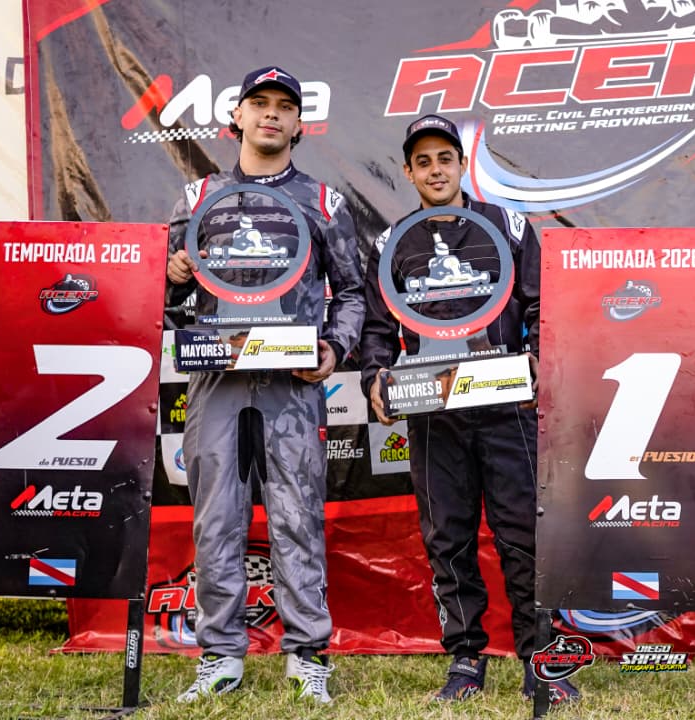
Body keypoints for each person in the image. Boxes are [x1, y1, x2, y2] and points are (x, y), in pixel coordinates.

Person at [358, 114, 579, 705]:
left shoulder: (508, 224)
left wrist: (538, 354)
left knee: (525, 533)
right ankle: (465, 659)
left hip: (506, 404)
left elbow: (542, 302)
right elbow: (376, 331)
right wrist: (375, 379)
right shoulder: (389, 243)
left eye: (444, 159)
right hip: (434, 412)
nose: (435, 170)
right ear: (408, 172)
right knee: (447, 537)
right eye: (422, 162)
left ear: (461, 164)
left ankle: (542, 659)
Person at [165, 65, 365, 704]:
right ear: (238, 116)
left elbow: (353, 293)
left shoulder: (324, 202)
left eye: (284, 105)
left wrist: (334, 348)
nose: (271, 114)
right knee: (216, 519)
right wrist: (172, 278)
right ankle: (220, 655)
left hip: (291, 385)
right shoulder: (198, 198)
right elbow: (166, 304)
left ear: (300, 122)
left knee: (297, 516)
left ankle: (307, 655)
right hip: (216, 383)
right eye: (260, 103)